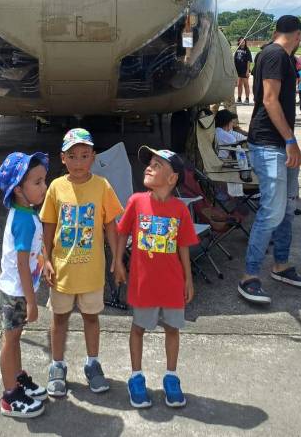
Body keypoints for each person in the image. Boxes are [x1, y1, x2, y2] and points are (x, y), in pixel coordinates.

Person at [40, 128, 122, 397]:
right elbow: (49, 226)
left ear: (93, 157)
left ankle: (92, 363)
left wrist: (117, 259)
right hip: (62, 270)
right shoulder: (55, 187)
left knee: (91, 318)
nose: (78, 162)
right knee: (59, 318)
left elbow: (111, 224)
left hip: (91, 271)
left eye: (84, 156)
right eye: (72, 156)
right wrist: (46, 259)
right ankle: (57, 365)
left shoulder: (102, 186)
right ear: (62, 158)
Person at [114, 147, 198, 409]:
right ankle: (136, 377)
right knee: (138, 328)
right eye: (149, 163)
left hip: (172, 282)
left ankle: (171, 377)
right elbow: (123, 232)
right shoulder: (136, 201)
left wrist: (188, 278)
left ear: (172, 179)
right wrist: (117, 262)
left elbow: (183, 244)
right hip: (143, 282)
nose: (149, 167)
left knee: (173, 329)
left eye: (157, 164)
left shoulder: (180, 210)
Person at [238, 15, 301, 305]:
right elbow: (270, 100)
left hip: (280, 144)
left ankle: (280, 264)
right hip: (271, 143)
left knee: (287, 207)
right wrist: (291, 140)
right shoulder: (274, 54)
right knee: (271, 210)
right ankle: (249, 275)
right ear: (297, 35)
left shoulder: (279, 55)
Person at [0, 151, 50, 419]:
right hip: (16, 292)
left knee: (15, 339)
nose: (45, 187)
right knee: (11, 341)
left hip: (18, 289)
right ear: (18, 189)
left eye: (44, 180)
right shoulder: (25, 221)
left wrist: (45, 262)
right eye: (37, 183)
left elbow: (31, 255)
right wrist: (31, 300)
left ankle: (17, 377)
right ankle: (9, 395)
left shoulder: (26, 212)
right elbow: (21, 265)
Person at [234, 38, 252, 104]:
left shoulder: (247, 50)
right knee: (239, 84)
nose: (242, 41)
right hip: (237, 70)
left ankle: (247, 99)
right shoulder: (237, 49)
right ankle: (239, 98)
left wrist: (247, 70)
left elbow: (249, 61)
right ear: (239, 41)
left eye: (243, 40)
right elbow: (234, 60)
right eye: (241, 40)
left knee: (246, 84)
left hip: (244, 70)